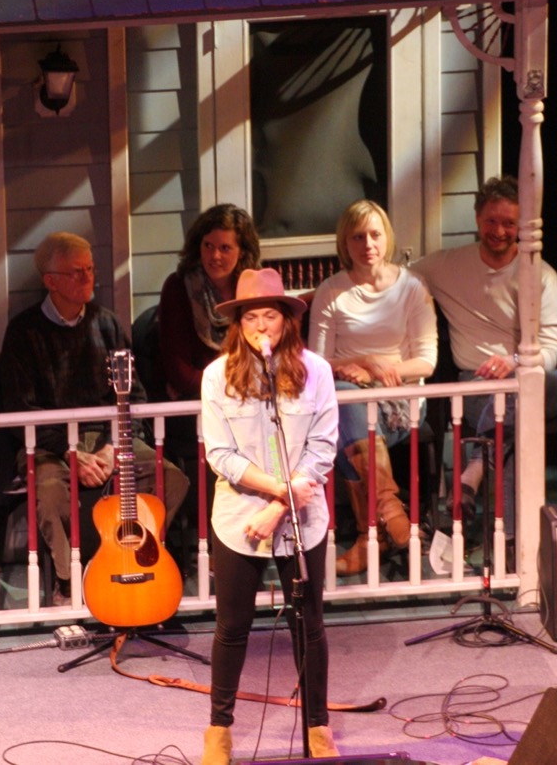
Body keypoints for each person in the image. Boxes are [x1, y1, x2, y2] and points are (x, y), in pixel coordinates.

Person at [0, 232, 189, 601]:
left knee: (172, 479)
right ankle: (69, 581)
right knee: (50, 494)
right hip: (52, 444)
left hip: (108, 437)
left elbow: (134, 397)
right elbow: (22, 410)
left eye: (90, 269)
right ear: (50, 281)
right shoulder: (24, 333)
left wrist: (113, 449)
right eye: (76, 272)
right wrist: (72, 455)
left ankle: (134, 557)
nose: (88, 278)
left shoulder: (108, 324)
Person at [199, 268, 340, 763]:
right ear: (238, 324)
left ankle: (318, 728)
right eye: (252, 317)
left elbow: (322, 449)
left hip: (301, 515)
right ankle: (219, 730)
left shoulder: (316, 371)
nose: (262, 326)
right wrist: (275, 493)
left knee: (310, 624)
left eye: (270, 316)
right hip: (240, 517)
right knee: (232, 626)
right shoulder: (217, 377)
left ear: (286, 321)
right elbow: (221, 455)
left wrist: (282, 505)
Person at [413, 175, 557, 538]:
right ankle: (515, 544)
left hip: (538, 380)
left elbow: (552, 349)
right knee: (516, 433)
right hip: (477, 383)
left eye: (509, 223)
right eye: (491, 222)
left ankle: (473, 473)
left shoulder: (542, 276)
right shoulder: (446, 266)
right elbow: (392, 281)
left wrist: (516, 361)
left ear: (522, 225)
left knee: (528, 393)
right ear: (477, 220)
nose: (499, 231)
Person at [308, 200, 437, 575]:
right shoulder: (331, 291)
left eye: (375, 235)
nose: (368, 244)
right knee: (346, 402)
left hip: (400, 400)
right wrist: (363, 364)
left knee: (342, 420)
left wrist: (382, 371)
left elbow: (426, 361)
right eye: (358, 236)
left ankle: (369, 539)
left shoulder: (412, 287)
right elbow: (316, 364)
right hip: (348, 396)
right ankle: (389, 512)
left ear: (387, 238)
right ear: (344, 243)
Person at [158, 203, 264, 402]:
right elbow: (180, 375)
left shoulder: (255, 288)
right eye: (208, 246)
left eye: (225, 248)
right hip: (197, 400)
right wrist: (233, 386)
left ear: (241, 251)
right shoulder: (178, 287)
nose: (215, 256)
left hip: (251, 396)